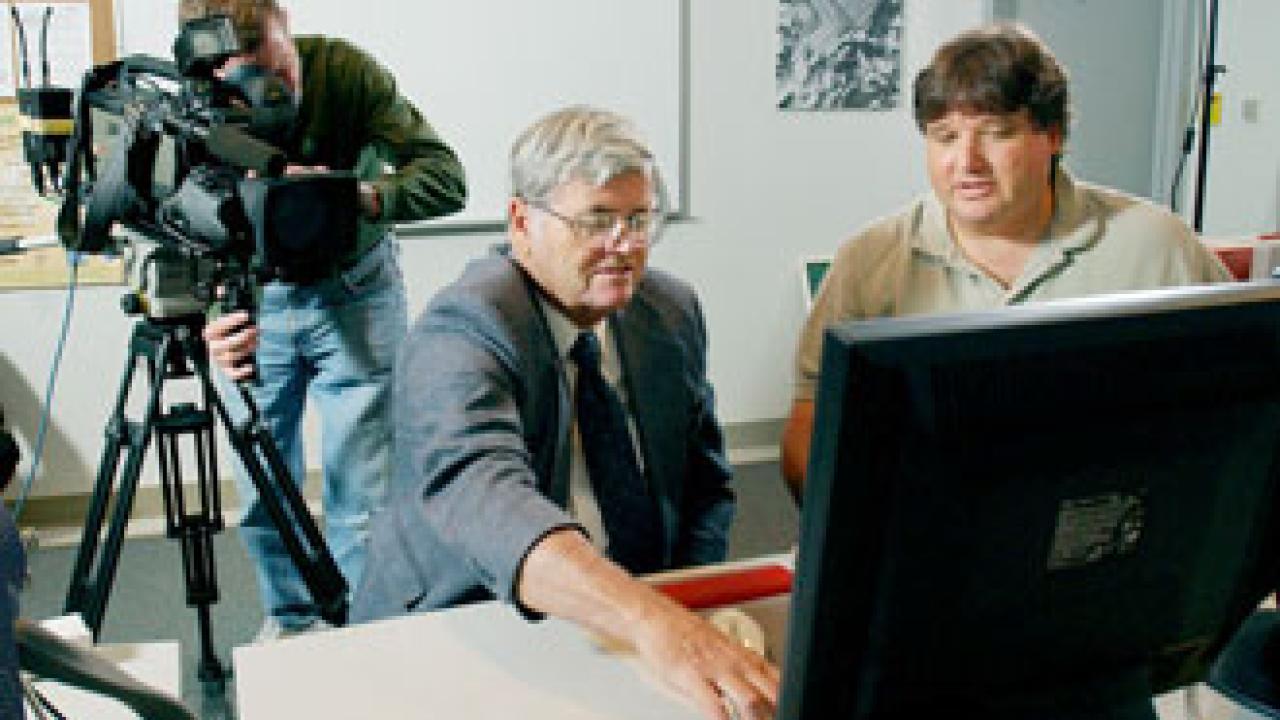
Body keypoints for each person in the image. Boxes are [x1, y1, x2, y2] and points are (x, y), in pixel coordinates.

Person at [351, 107, 779, 720]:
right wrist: (654, 624)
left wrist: (685, 601)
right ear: (522, 222)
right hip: (471, 617)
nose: (625, 245)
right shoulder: (463, 328)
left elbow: (706, 487)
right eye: (596, 221)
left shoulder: (671, 310)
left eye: (639, 219)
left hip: (629, 617)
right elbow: (491, 501)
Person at [781, 22, 1229, 501]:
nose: (967, 161)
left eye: (995, 133)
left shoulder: (1158, 247)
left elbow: (1245, 396)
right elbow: (810, 429)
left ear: (1052, 136)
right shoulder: (869, 262)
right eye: (945, 137)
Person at [191, 0, 467, 639]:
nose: (269, 95)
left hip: (357, 291)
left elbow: (448, 179)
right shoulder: (191, 97)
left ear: (284, 22)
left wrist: (355, 197)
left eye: (277, 72)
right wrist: (208, 322)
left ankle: (367, 627)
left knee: (365, 495)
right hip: (250, 304)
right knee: (264, 494)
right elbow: (173, 220)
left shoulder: (345, 72)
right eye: (245, 84)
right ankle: (290, 621)